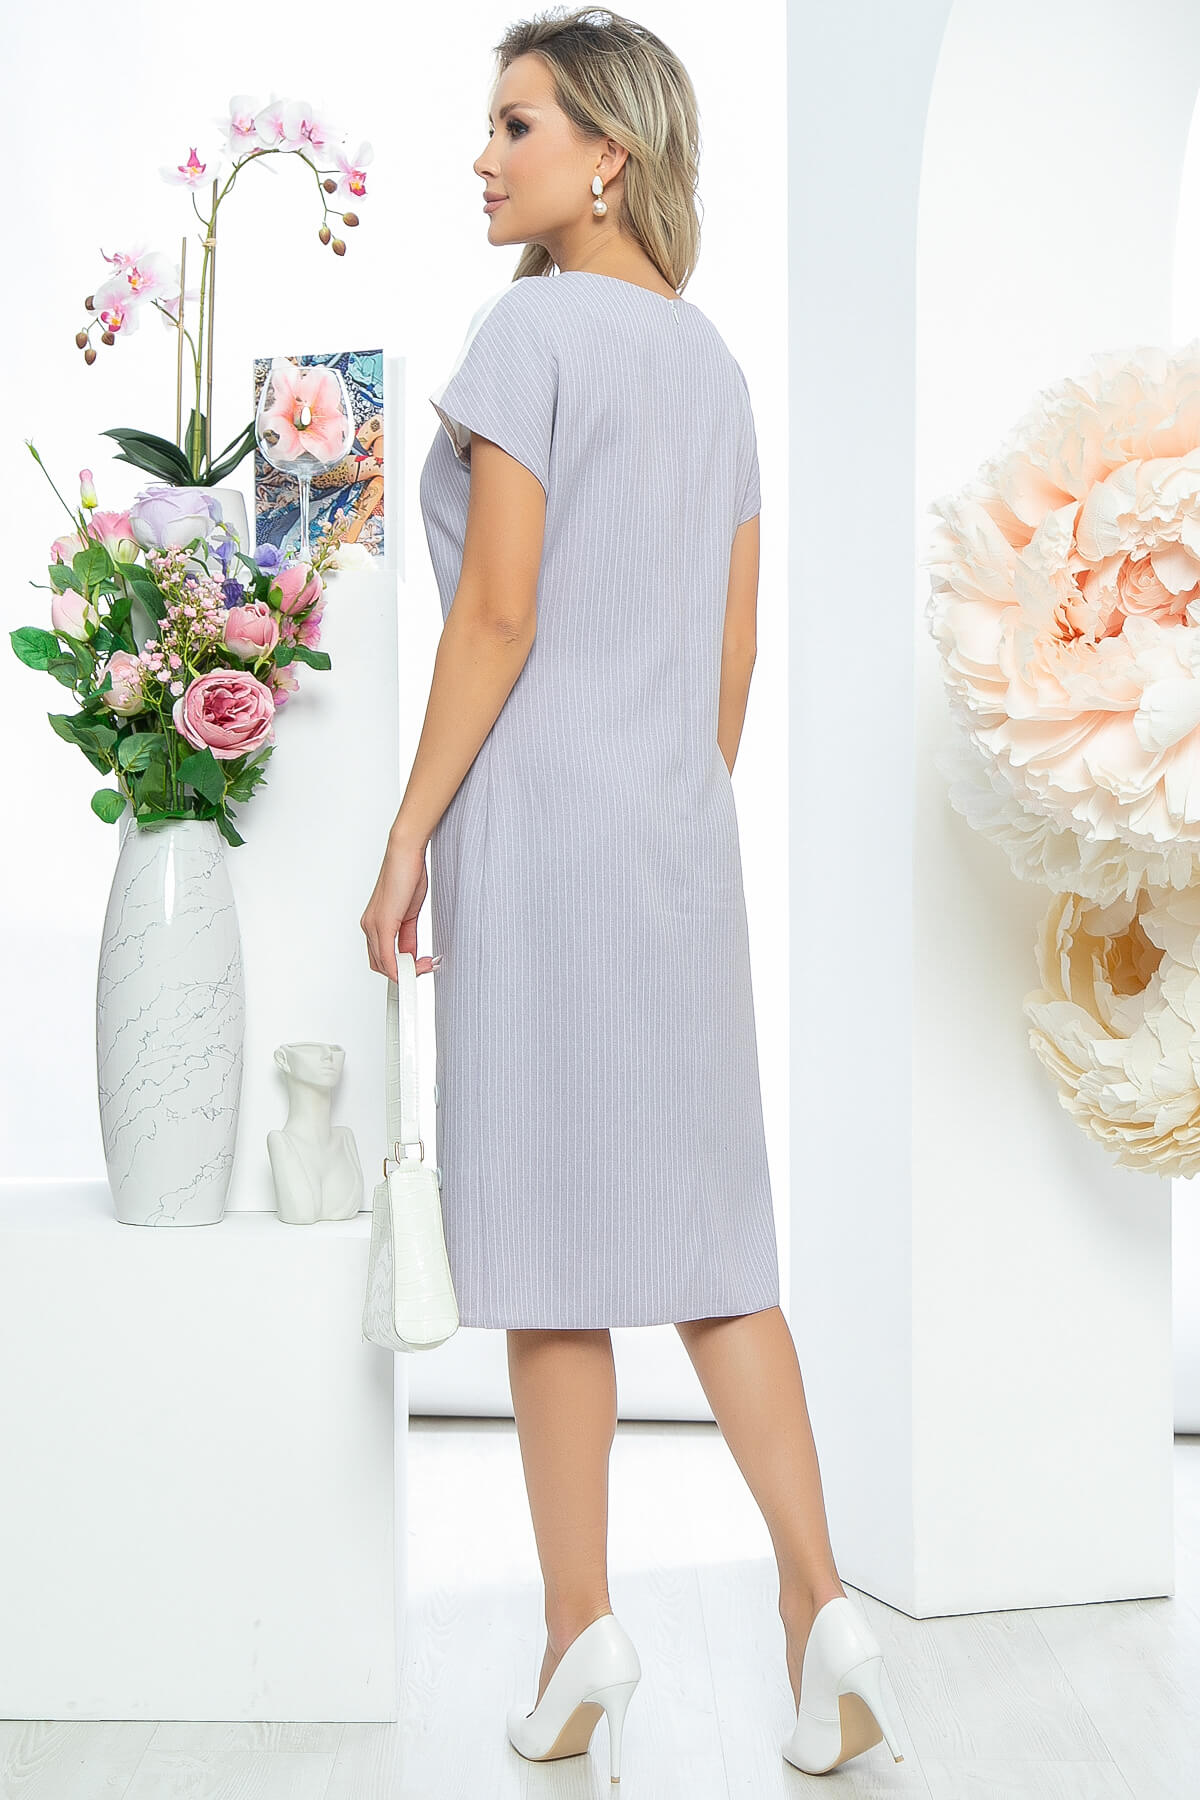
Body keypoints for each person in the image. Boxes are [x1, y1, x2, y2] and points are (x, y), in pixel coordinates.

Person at [359, 6, 906, 1781]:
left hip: (536, 831)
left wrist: (409, 834)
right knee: (714, 1243)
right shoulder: (714, 366)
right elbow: (729, 666)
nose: (483, 156)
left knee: (552, 1253)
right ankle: (819, 1605)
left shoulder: (527, 333)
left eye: (516, 124)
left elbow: (498, 612)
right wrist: (660, 803)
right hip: (678, 835)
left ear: (610, 155)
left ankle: (576, 1627)